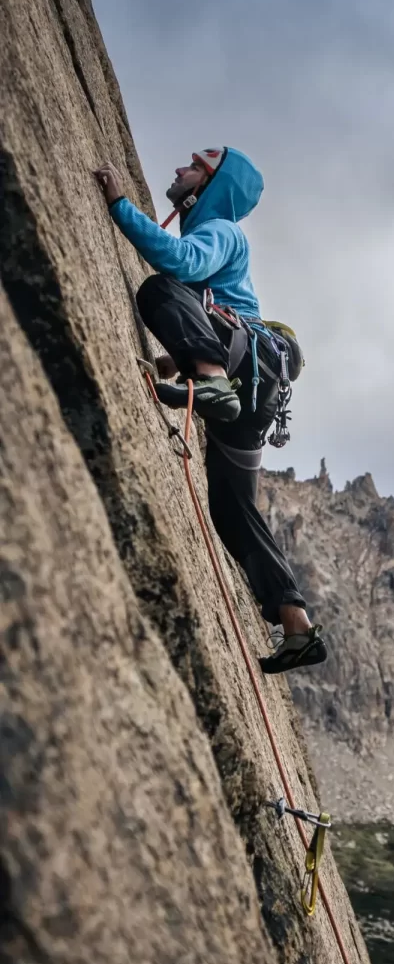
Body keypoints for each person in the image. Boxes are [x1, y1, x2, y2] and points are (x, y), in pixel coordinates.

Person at [93, 147, 327, 674]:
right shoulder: (218, 235)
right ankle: (297, 626)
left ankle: (212, 382)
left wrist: (120, 206)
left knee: (159, 288)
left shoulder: (222, 230)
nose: (179, 170)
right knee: (232, 509)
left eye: (192, 166)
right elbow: (203, 316)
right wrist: (174, 364)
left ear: (210, 183)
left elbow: (181, 265)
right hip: (255, 393)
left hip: (239, 372)